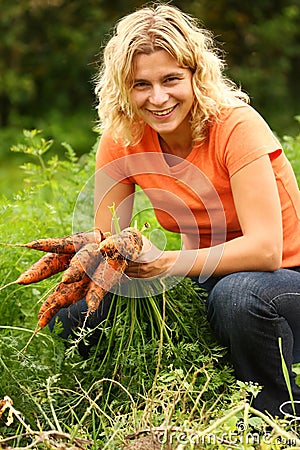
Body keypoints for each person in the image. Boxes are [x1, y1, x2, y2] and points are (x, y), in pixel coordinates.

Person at [51, 3, 300, 418]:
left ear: (196, 76)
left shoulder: (235, 126)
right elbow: (104, 241)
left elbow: (266, 251)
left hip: (285, 280)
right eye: (141, 84)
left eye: (171, 80)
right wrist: (122, 251)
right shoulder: (124, 135)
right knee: (78, 306)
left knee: (237, 296)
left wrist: (164, 262)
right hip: (204, 279)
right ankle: (112, 413)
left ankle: (277, 423)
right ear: (122, 88)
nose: (158, 98)